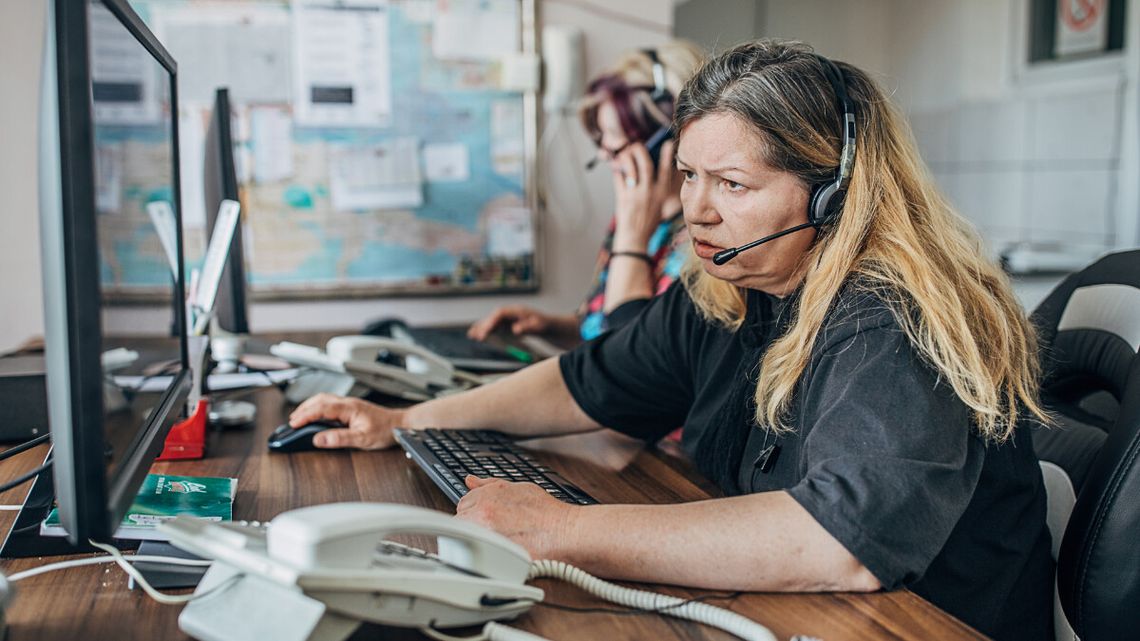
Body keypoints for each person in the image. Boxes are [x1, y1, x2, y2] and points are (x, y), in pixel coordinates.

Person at [290, 40, 1053, 641]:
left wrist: (559, 528)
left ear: (834, 190)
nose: (697, 210)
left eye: (732, 184)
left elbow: (836, 541)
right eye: (688, 175)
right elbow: (585, 379)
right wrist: (409, 421)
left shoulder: (895, 315)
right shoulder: (732, 285)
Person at [468, 41, 704, 343]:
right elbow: (598, 330)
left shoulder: (699, 242)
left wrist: (632, 239)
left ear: (665, 140)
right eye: (601, 142)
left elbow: (627, 358)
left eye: (615, 143)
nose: (606, 156)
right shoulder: (629, 219)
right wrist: (548, 326)